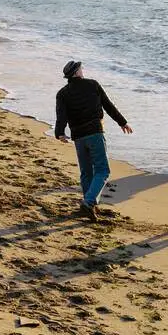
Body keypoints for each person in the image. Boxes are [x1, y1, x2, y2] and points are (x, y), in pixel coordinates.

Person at [55, 60, 132, 221]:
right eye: (81, 68)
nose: (83, 70)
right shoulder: (93, 85)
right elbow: (108, 106)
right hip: (95, 133)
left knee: (86, 172)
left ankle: (90, 206)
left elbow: (61, 116)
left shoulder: (62, 93)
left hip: (78, 137)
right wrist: (122, 122)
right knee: (103, 170)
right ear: (77, 72)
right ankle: (88, 203)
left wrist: (60, 133)